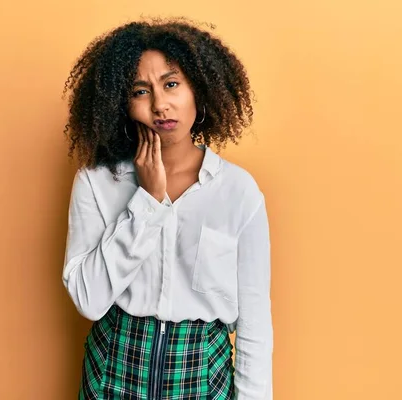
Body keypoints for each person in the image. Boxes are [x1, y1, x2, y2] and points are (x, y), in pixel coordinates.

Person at [61, 17, 273, 400]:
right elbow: (88, 301)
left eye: (172, 84)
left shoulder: (238, 192)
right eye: (141, 91)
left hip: (202, 376)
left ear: (199, 89)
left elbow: (255, 323)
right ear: (121, 103)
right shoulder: (96, 181)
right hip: (113, 370)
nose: (160, 105)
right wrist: (147, 201)